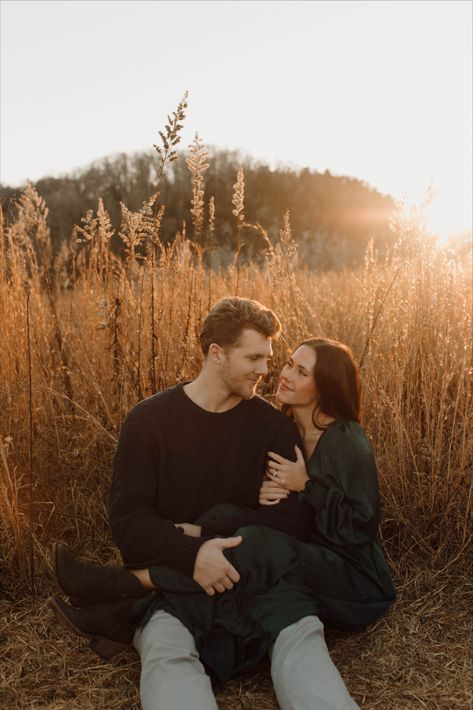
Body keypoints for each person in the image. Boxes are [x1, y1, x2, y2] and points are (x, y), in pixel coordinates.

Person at [50, 298, 394, 709]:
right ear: (217, 353)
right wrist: (196, 555)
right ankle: (142, 598)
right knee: (167, 650)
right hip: (187, 589)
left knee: (303, 645)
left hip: (269, 588)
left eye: (270, 359)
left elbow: (289, 523)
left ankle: (126, 589)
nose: (267, 372)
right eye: (255, 358)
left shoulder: (274, 428)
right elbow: (129, 523)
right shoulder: (148, 421)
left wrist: (204, 539)